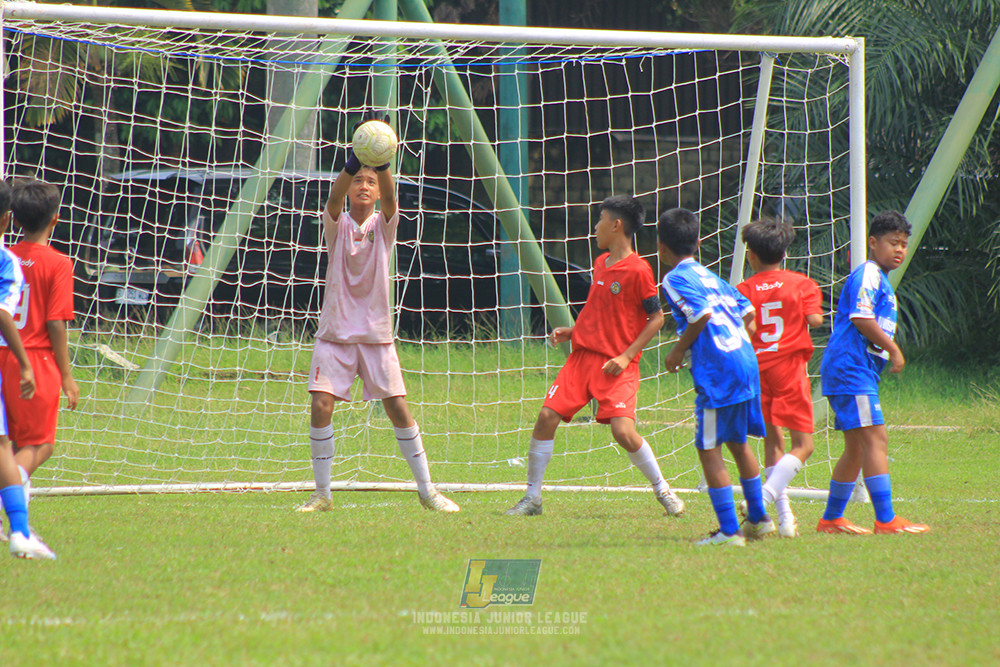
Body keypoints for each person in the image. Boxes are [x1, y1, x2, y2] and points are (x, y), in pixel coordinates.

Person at [296, 114, 459, 514]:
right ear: (350, 190)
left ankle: (427, 490)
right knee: (320, 405)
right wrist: (353, 162)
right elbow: (331, 201)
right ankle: (322, 494)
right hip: (335, 334)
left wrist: (382, 164)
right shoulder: (338, 225)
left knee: (397, 407)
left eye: (370, 181)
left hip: (375, 335)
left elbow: (391, 199)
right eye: (358, 182)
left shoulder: (384, 228)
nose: (364, 186)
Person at [506, 195, 685, 518]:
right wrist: (573, 331)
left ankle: (664, 491)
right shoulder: (601, 263)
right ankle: (532, 498)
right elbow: (599, 310)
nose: (595, 226)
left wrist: (626, 356)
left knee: (623, 432)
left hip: (617, 365)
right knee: (546, 418)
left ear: (616, 225)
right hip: (582, 359)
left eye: (600, 219)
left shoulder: (639, 270)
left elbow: (656, 318)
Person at [657, 208, 771, 547]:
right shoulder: (711, 276)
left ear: (660, 246)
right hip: (746, 362)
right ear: (699, 243)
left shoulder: (674, 278)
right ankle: (759, 519)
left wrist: (677, 352)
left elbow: (701, 315)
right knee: (738, 442)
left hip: (719, 372)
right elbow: (749, 311)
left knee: (708, 447)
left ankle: (728, 531)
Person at [817, 210, 928, 535]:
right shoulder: (868, 273)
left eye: (904, 245)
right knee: (876, 439)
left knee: (856, 446)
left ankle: (831, 519)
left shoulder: (879, 279)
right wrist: (893, 349)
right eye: (893, 243)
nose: (899, 250)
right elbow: (861, 318)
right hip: (851, 370)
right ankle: (886, 519)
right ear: (872, 243)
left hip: (853, 369)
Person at [736, 217, 823, 538]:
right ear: (784, 252)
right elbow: (814, 319)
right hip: (789, 370)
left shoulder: (743, 290)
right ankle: (763, 498)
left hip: (757, 371)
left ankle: (786, 520)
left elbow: (745, 326)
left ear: (751, 255)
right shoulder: (802, 284)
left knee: (773, 441)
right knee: (804, 445)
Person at [0, 179, 79, 531]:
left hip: (3, 354)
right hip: (34, 359)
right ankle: (10, 494)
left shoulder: (7, 257)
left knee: (10, 443)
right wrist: (67, 375)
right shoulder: (58, 263)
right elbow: (56, 323)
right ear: (55, 219)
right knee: (40, 444)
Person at [0, 179, 54, 559]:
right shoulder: (9, 262)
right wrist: (26, 363)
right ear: (6, 219)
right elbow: (56, 321)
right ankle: (19, 529)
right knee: (24, 445)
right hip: (30, 356)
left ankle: (20, 530)